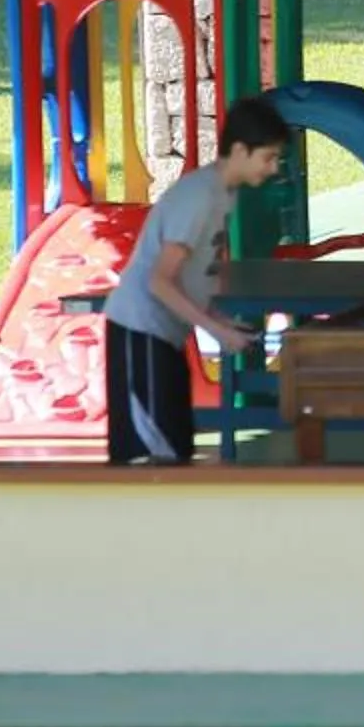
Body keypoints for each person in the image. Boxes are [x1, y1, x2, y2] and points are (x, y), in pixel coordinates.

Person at [102, 98, 289, 465]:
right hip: (140, 332)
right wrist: (215, 332)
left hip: (164, 336)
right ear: (239, 150)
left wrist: (216, 319)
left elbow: (195, 274)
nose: (273, 167)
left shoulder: (224, 194)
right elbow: (160, 281)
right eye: (268, 157)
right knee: (152, 458)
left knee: (177, 447)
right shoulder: (200, 196)